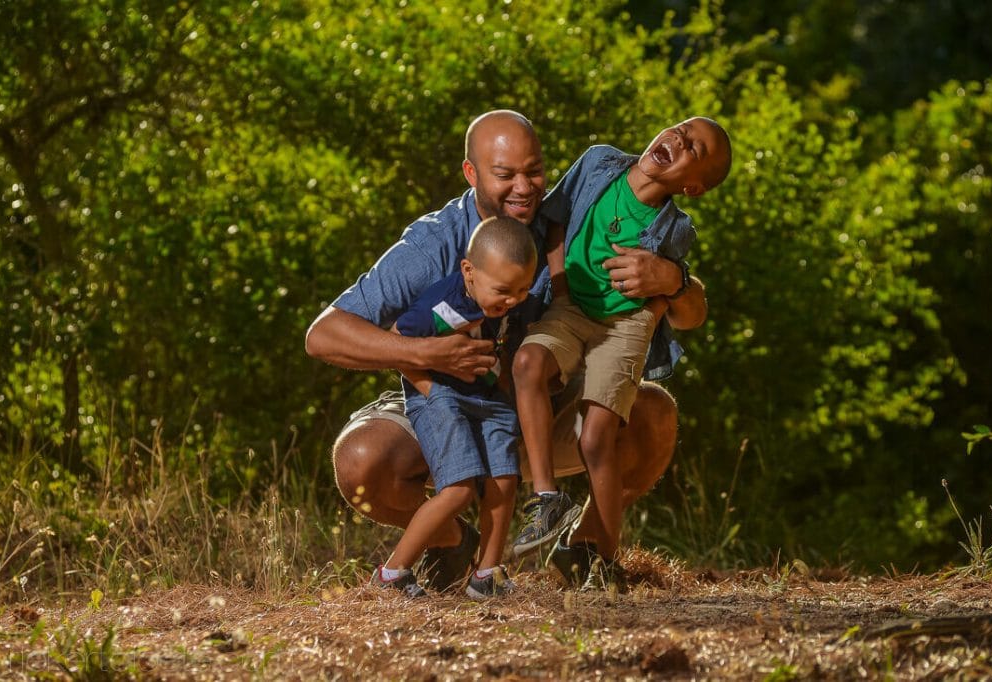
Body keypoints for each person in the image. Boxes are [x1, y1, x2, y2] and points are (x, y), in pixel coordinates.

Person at [304, 109, 708, 593]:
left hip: (539, 405)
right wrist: (428, 353)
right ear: (471, 174)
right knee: (362, 461)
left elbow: (691, 315)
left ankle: (586, 553)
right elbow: (323, 335)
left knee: (654, 414)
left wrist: (674, 279)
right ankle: (452, 544)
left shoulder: (570, 215)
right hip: (448, 399)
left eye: (534, 171)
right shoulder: (435, 240)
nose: (524, 187)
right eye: (505, 175)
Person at [511, 117, 733, 591]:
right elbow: (553, 222)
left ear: (692, 186)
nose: (678, 140)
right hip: (569, 305)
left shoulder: (674, 227)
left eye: (694, 148)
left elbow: (676, 293)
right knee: (528, 364)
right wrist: (559, 285)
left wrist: (650, 315)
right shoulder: (598, 163)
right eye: (681, 128)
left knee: (597, 439)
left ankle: (600, 558)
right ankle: (546, 497)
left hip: (624, 325)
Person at [370, 216, 537, 598]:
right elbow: (398, 341)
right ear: (469, 272)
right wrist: (429, 389)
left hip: (490, 398)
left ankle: (486, 575)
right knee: (459, 489)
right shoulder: (442, 302)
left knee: (505, 479)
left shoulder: (511, 304)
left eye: (523, 289)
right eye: (503, 290)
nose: (513, 299)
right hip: (441, 394)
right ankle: (391, 574)